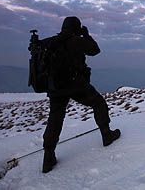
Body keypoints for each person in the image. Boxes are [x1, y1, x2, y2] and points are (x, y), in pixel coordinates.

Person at [42, 16, 121, 173]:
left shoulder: (51, 42)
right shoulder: (76, 41)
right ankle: (106, 134)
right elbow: (95, 50)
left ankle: (48, 156)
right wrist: (86, 34)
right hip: (75, 84)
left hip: (55, 87)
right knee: (98, 103)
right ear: (76, 27)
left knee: (55, 118)